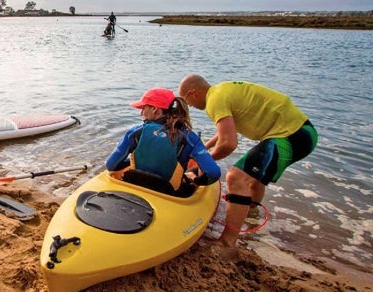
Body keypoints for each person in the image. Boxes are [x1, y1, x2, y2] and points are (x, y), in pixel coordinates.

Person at [178, 74, 318, 247]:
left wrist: (204, 161)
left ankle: (227, 243)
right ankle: (250, 215)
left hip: (291, 135)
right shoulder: (221, 91)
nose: (190, 106)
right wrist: (204, 148)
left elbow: (228, 143)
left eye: (187, 102)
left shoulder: (214, 101)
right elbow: (226, 130)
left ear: (192, 93)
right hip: (302, 131)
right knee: (253, 179)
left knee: (235, 177)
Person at [105, 87, 221, 196]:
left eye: (143, 108)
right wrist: (195, 180)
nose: (141, 113)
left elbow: (111, 165)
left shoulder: (134, 133)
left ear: (155, 109)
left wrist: (131, 161)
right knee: (193, 171)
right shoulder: (190, 138)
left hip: (135, 185)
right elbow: (213, 173)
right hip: (169, 193)